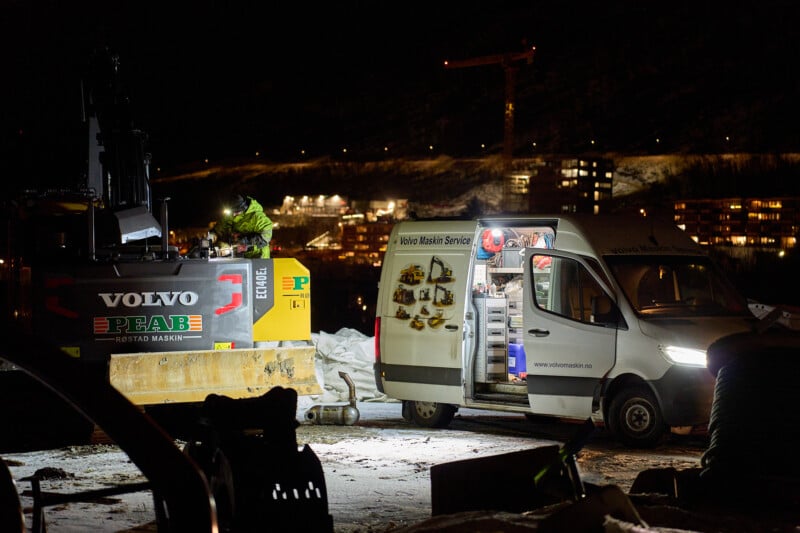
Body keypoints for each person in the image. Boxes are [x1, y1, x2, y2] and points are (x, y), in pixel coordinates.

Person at [211, 193, 273, 258]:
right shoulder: (229, 215)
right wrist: (212, 235)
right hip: (238, 255)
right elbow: (219, 228)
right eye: (232, 212)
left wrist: (245, 240)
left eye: (236, 212)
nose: (233, 215)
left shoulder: (257, 217)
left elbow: (266, 236)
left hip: (258, 255)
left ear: (243, 209)